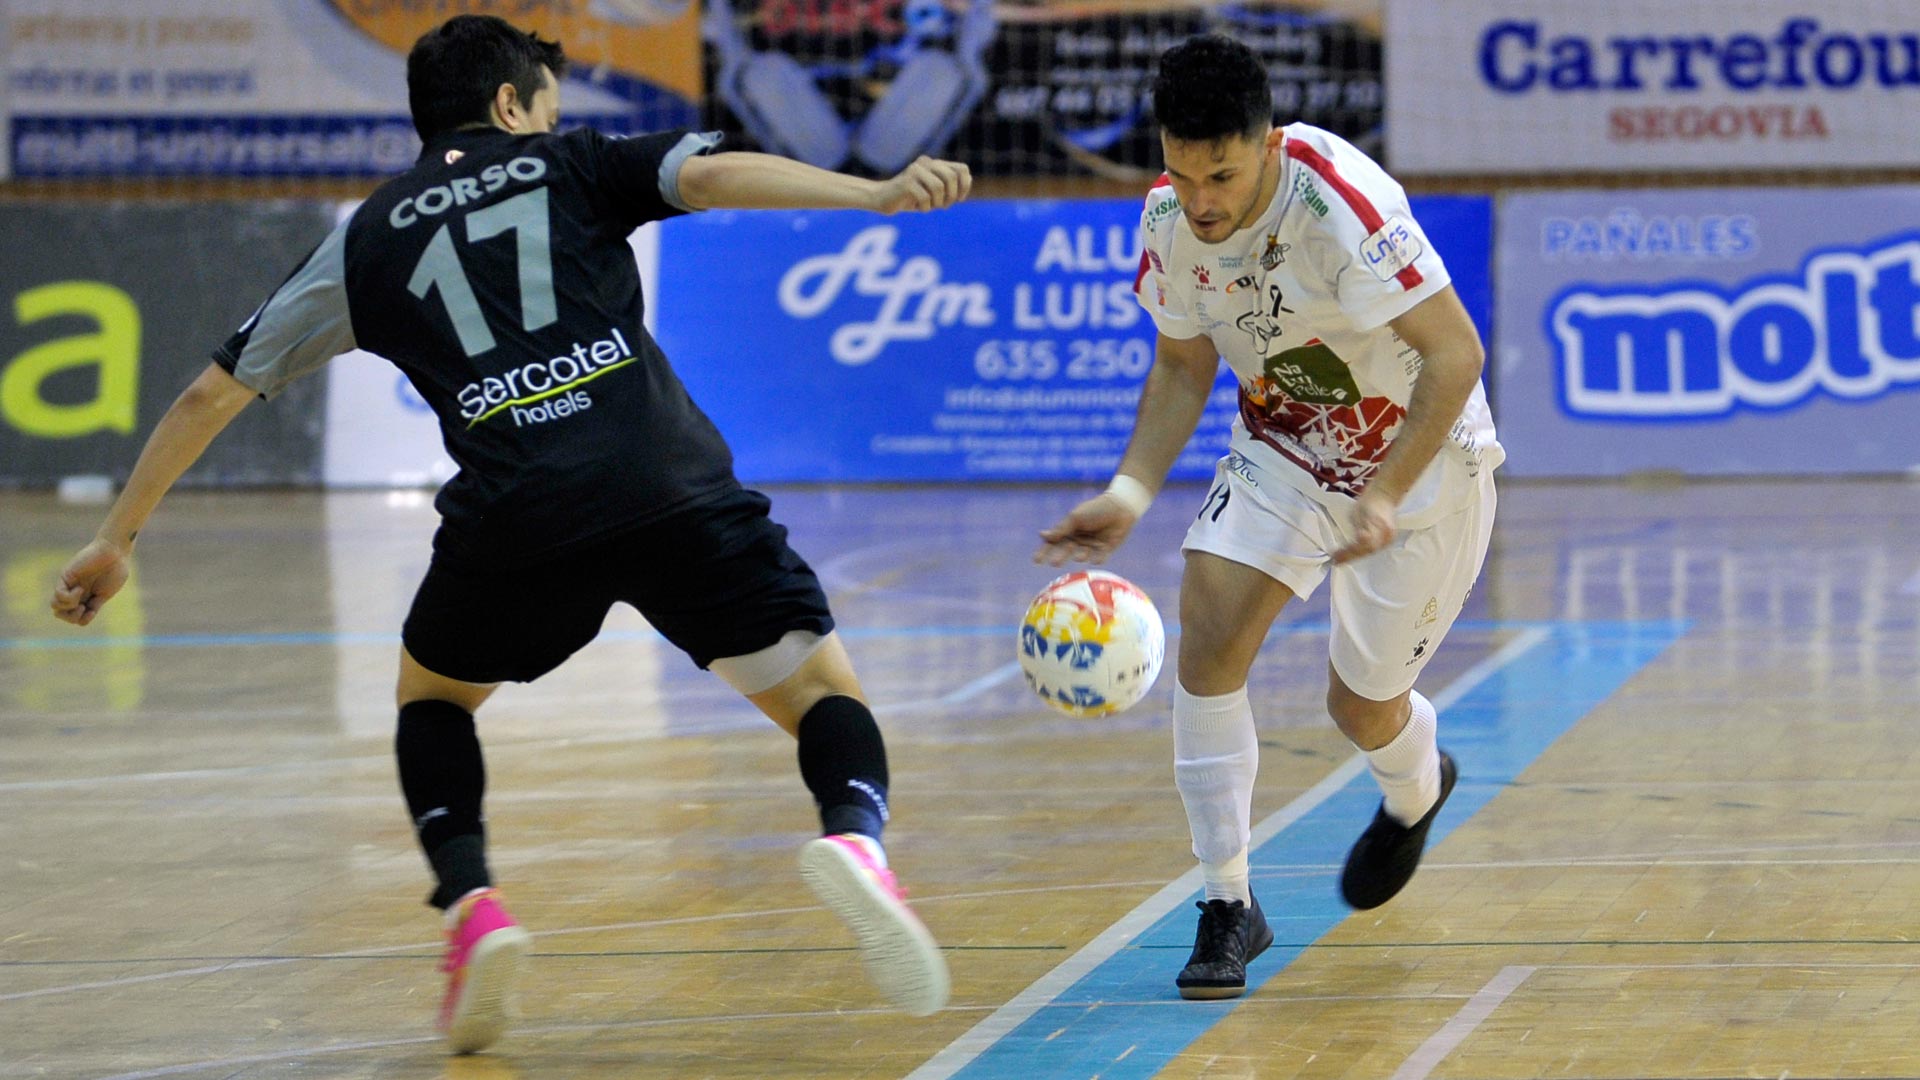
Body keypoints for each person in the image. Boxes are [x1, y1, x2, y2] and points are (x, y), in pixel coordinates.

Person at [49, 14, 969, 1054]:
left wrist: (119, 538)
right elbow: (711, 180)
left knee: (433, 699)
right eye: (547, 105)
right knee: (819, 693)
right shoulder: (572, 163)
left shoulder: (367, 237)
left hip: (519, 514)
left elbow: (211, 393)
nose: (552, 121)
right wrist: (875, 193)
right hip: (667, 483)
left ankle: (473, 906)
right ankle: (854, 836)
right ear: (509, 107)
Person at [1035, 34, 1502, 1001]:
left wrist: (1382, 493)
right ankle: (1226, 903)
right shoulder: (1167, 216)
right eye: (1179, 170)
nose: (1201, 199)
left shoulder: (1342, 204)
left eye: (1223, 174)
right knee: (1208, 642)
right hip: (1283, 449)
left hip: (1421, 462)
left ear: (1271, 145)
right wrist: (1128, 493)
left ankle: (1417, 793)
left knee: (1360, 705)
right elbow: (1180, 364)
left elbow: (1456, 356)